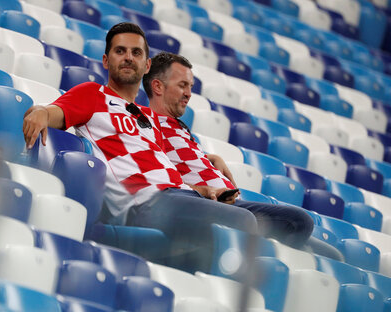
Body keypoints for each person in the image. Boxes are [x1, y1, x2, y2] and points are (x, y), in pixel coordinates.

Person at [22, 23, 312, 271]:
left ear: (147, 66)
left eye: (136, 53)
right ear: (106, 60)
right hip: (146, 203)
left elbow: (165, 167)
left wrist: (205, 187)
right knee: (243, 222)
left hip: (181, 197)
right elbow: (55, 112)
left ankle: (248, 257)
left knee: (298, 222)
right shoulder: (93, 95)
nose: (128, 58)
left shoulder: (147, 117)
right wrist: (40, 112)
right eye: (120, 51)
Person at [142, 51, 314, 249]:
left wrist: (210, 157)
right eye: (182, 85)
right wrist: (206, 191)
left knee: (330, 252)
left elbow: (173, 158)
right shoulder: (145, 123)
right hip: (211, 205)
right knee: (299, 221)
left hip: (230, 204)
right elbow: (154, 172)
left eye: (190, 86)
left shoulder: (178, 127)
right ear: (157, 86)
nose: (189, 93)